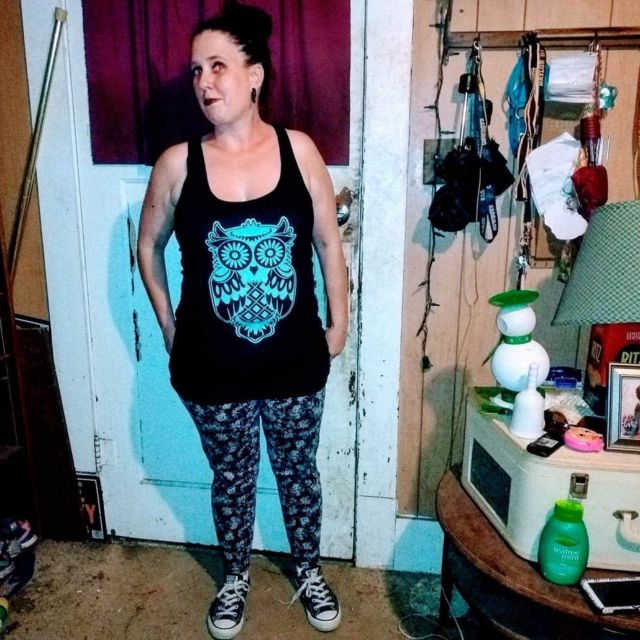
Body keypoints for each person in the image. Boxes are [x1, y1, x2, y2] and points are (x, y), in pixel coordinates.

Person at [137, 3, 348, 639]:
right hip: (211, 367)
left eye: (218, 66)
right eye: (195, 70)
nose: (203, 82)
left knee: (298, 474)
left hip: (295, 358)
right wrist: (169, 327)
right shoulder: (177, 164)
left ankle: (308, 570)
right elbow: (147, 247)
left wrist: (340, 323)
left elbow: (328, 242)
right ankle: (235, 577)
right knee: (231, 479)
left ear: (255, 76)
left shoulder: (299, 150)